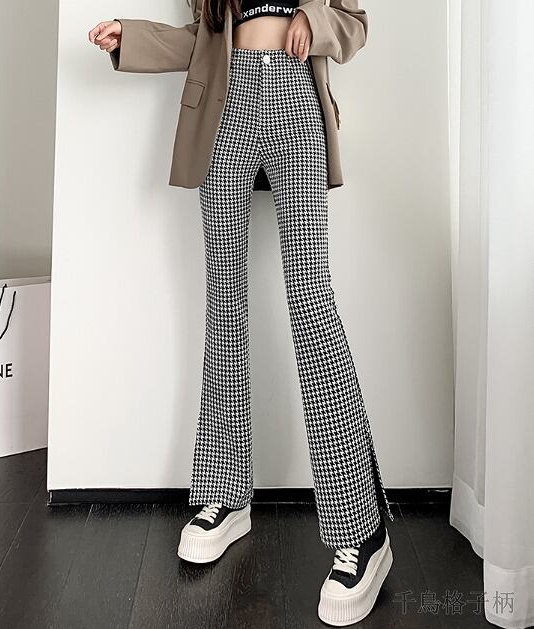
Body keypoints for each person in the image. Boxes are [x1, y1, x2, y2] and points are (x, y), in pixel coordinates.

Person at [89, 1, 394, 624]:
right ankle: (225, 493)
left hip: (294, 97)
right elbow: (200, 40)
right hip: (225, 107)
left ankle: (362, 530)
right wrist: (131, 39)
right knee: (223, 302)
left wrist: (313, 20)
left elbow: (354, 24)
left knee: (311, 304)